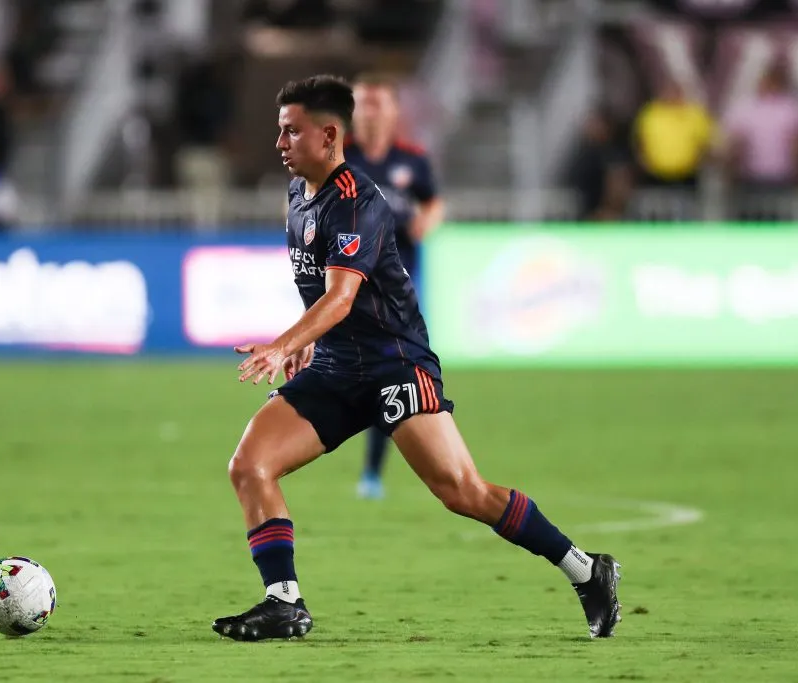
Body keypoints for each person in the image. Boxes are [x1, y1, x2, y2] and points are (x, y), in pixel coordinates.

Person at [211, 75, 622, 642]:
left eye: (290, 131)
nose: (279, 142)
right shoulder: (297, 196)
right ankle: (283, 602)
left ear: (328, 134)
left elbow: (342, 296)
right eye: (279, 131)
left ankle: (585, 569)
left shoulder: (357, 202)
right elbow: (319, 290)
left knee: (462, 491)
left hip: (393, 364)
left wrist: (282, 342)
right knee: (250, 465)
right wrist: (306, 341)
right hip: (336, 366)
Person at [344, 72, 443, 499]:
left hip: (397, 288)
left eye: (377, 103)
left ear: (393, 111)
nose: (369, 111)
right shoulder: (338, 156)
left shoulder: (412, 160)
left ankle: (372, 472)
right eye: (362, 103)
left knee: (389, 376)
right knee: (370, 374)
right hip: (349, 286)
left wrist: (427, 221)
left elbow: (432, 201)